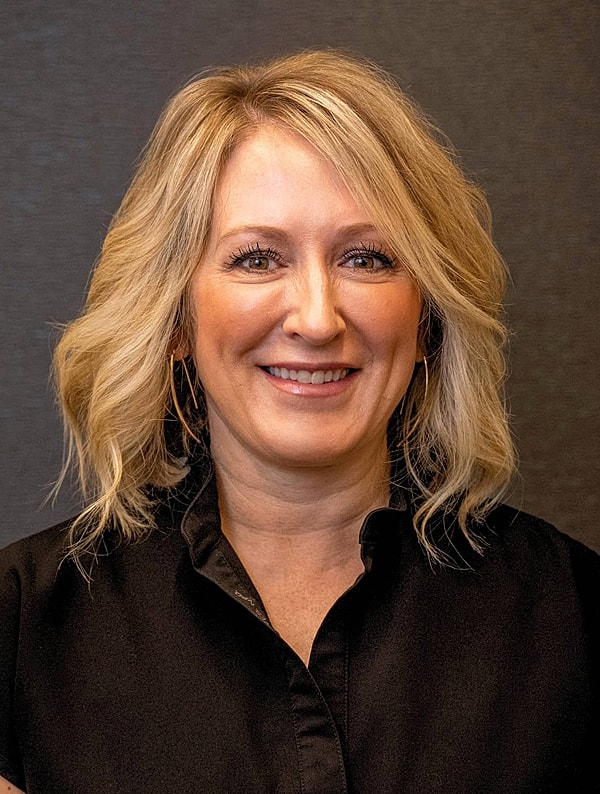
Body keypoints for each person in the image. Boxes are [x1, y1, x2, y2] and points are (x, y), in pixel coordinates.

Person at [1, 50, 598, 794]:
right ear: (177, 318)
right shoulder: (20, 625)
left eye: (366, 258)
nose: (317, 319)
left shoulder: (575, 615)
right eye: (256, 259)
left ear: (427, 317)